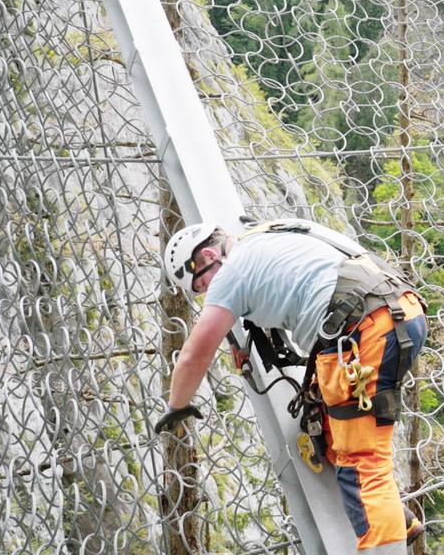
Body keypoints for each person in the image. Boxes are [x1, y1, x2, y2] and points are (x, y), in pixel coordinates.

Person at [154, 218, 428, 553]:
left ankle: (386, 542)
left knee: (361, 464)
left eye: (202, 286)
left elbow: (193, 357)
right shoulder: (268, 233)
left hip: (363, 331)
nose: (209, 294)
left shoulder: (230, 273)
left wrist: (176, 405)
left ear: (208, 256)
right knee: (328, 427)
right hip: (401, 309)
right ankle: (397, 521)